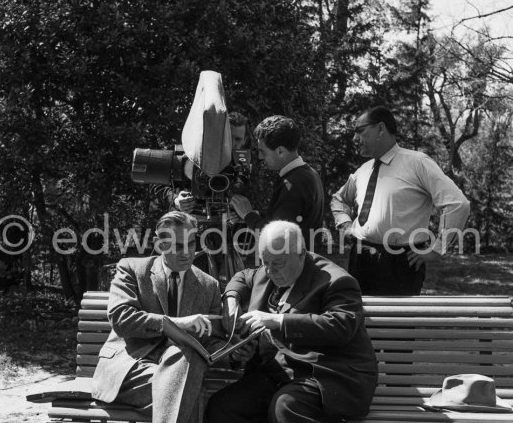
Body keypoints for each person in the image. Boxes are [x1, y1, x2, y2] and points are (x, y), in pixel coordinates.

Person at [191, 221, 378, 423]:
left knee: (287, 406)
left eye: (277, 263)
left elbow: (342, 326)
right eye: (264, 261)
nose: (269, 270)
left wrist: (278, 321)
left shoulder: (336, 280)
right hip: (284, 371)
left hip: (331, 374)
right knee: (226, 405)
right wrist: (232, 299)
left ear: (300, 253)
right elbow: (242, 278)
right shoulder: (266, 269)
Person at [91, 210, 223, 423]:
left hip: (174, 381)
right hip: (130, 372)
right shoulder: (133, 269)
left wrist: (229, 344)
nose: (186, 252)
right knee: (190, 385)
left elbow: (215, 336)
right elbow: (121, 318)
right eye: (176, 245)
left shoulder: (208, 286)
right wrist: (171, 325)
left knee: (185, 365)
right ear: (159, 243)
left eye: (191, 243)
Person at [331, 105, 470, 295]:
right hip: (360, 258)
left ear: (381, 128)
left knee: (397, 322)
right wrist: (345, 224)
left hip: (399, 263)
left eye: (360, 131)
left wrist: (437, 249)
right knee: (359, 319)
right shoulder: (363, 171)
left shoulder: (417, 163)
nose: (355, 139)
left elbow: (457, 204)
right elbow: (339, 199)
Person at [229, 116, 325, 252]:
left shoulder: (293, 183)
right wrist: (257, 215)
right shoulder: (308, 173)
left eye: (263, 151)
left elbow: (277, 238)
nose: (260, 157)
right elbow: (286, 220)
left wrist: (248, 215)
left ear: (280, 151)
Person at [152, 111, 252, 213]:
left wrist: (238, 213)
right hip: (184, 222)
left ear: (244, 141)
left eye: (238, 139)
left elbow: (249, 199)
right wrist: (175, 199)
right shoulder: (190, 153)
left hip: (223, 226)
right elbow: (156, 183)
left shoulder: (243, 165)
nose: (232, 143)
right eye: (229, 137)